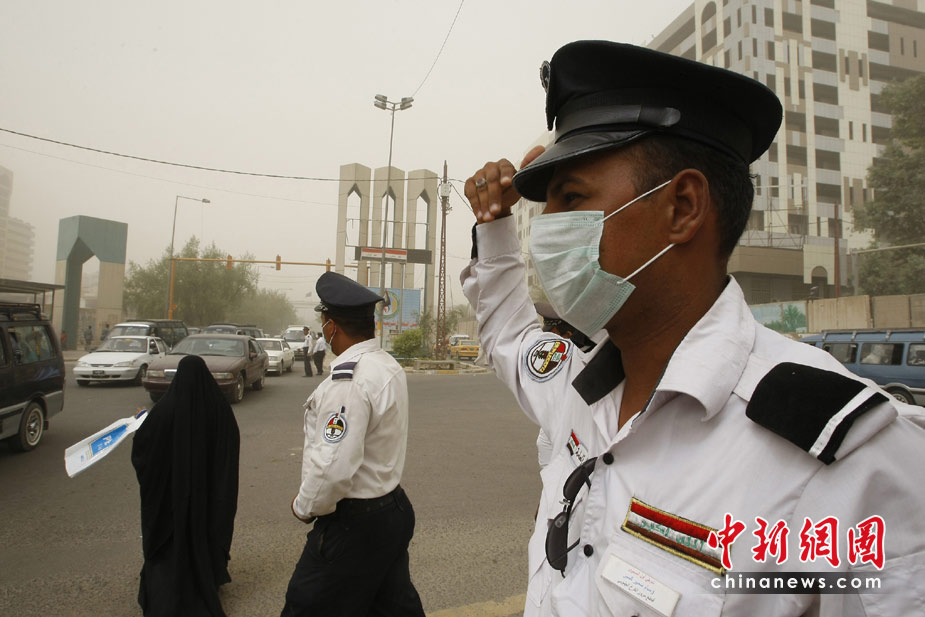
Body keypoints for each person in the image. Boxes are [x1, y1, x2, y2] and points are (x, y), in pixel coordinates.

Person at [462, 41, 925, 616]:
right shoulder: (581, 391)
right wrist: (495, 225)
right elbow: (510, 337)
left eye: (571, 200)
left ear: (682, 206)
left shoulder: (847, 465)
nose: (547, 232)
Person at [282, 271, 425, 617]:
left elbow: (332, 467)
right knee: (391, 606)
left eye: (323, 324)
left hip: (355, 524)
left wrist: (304, 506)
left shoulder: (349, 382)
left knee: (305, 606)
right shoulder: (386, 365)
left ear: (331, 327)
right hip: (390, 509)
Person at [131, 354, 240, 617]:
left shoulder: (164, 410)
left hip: (171, 500)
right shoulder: (219, 408)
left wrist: (141, 423)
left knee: (172, 540)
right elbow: (229, 451)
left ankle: (170, 581)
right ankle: (207, 572)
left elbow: (145, 450)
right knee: (206, 530)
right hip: (208, 499)